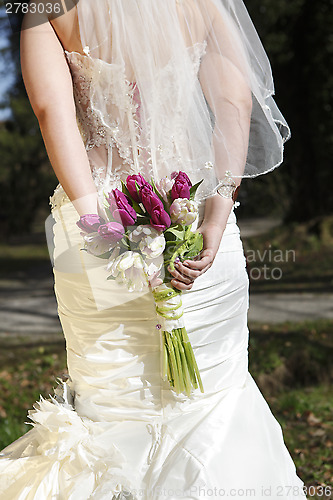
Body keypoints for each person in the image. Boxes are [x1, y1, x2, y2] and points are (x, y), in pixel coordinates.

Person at [0, 0, 307, 499]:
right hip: (195, 209)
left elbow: (51, 110)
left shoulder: (48, 6)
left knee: (109, 405)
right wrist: (217, 210)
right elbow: (234, 103)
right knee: (215, 398)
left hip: (99, 222)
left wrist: (95, 222)